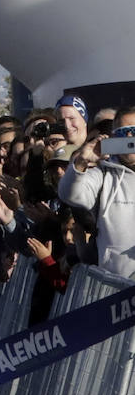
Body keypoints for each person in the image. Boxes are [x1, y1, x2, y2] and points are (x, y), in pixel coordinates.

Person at [59, 108, 135, 278]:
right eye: (123, 132)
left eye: (134, 131)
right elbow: (68, 194)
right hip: (115, 290)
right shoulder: (103, 173)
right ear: (114, 137)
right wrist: (81, 162)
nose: (130, 138)